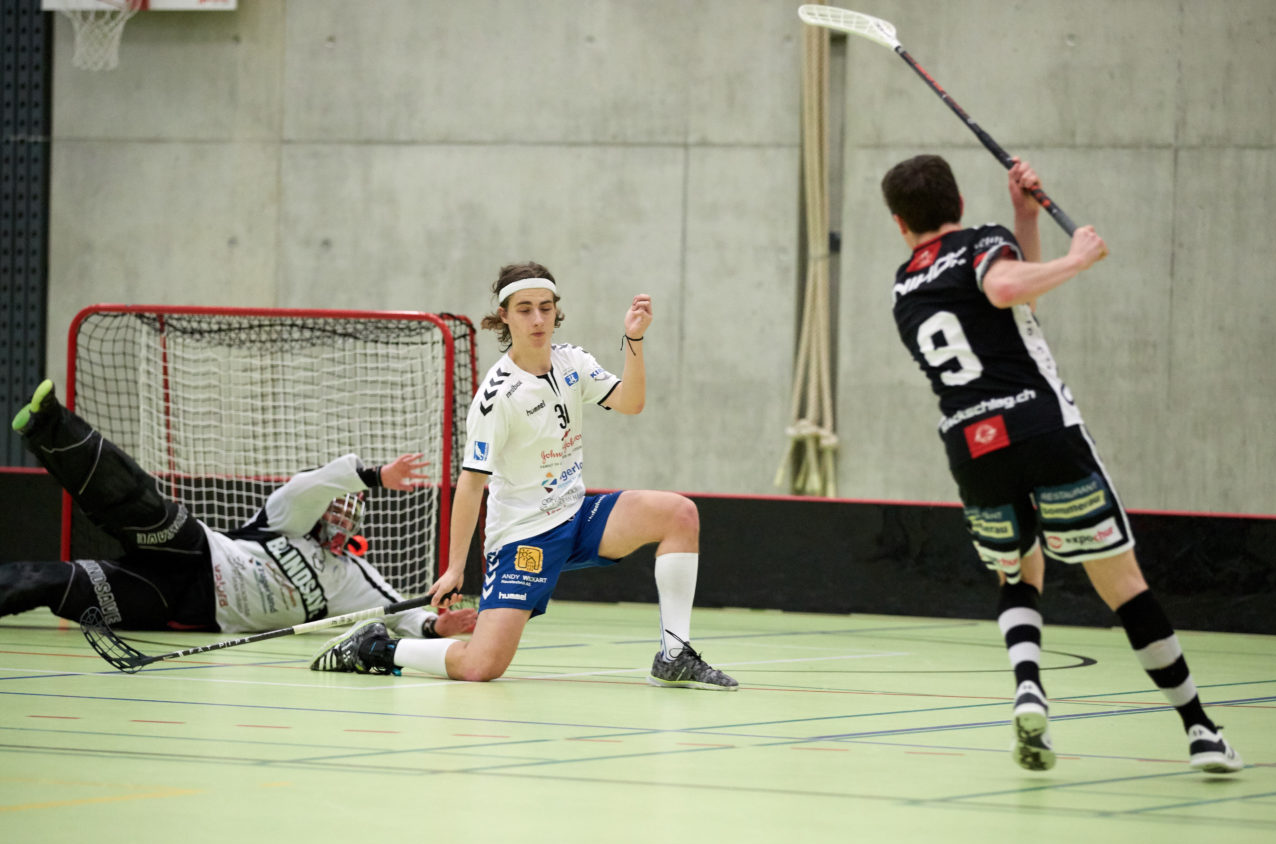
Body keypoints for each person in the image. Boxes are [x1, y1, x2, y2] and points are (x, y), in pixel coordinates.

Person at [879, 154, 1242, 773]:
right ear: (959, 203)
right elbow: (1001, 288)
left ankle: (1029, 687)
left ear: (898, 223)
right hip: (1041, 427)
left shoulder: (904, 284)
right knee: (1122, 584)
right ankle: (1200, 729)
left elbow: (1007, 304)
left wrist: (1025, 215)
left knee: (1018, 572)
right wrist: (1076, 259)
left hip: (972, 447)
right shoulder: (981, 243)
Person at [308, 261, 737, 690]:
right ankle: (376, 649)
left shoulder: (572, 361)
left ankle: (674, 654)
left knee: (679, 514)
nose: (537, 319)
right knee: (482, 666)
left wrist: (635, 339)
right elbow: (472, 483)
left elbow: (631, 401)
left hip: (576, 516)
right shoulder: (496, 398)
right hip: (524, 537)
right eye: (525, 309)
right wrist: (456, 567)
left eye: (546, 308)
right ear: (505, 317)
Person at [3, 379, 476, 641]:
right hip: (197, 553)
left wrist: (438, 625)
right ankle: (49, 425)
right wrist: (373, 476)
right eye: (338, 502)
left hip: (185, 609)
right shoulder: (289, 517)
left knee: (55, 581)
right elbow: (310, 485)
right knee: (136, 503)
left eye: (351, 508)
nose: (340, 513)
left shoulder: (350, 579)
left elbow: (398, 612)